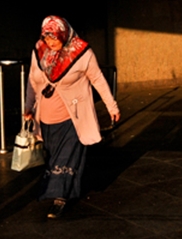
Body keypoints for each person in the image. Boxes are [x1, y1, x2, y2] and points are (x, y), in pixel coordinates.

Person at [23, 16, 120, 219]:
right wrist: (28, 106)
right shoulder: (39, 50)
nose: (51, 43)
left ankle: (60, 198)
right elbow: (33, 80)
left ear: (64, 34)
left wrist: (112, 106)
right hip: (46, 119)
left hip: (72, 118)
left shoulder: (82, 53)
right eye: (47, 38)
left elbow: (98, 80)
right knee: (53, 158)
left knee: (66, 157)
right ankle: (60, 190)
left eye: (55, 38)